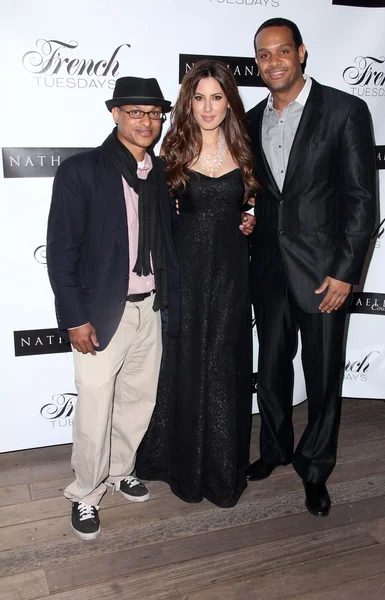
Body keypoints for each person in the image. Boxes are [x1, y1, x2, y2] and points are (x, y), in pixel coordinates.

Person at [246, 18, 376, 516]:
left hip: (325, 273)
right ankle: (275, 449)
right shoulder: (254, 117)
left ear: (301, 53)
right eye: (263, 54)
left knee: (322, 377)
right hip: (269, 270)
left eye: (282, 51)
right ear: (256, 61)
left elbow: (362, 198)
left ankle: (315, 468)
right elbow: (266, 194)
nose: (273, 61)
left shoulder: (345, 110)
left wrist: (346, 272)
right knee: (272, 369)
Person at [46, 76, 180, 540]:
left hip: (149, 308)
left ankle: (121, 470)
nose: (147, 121)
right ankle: (85, 492)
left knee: (138, 401)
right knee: (95, 407)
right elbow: (62, 252)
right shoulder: (82, 170)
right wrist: (75, 318)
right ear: (115, 115)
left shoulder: (158, 172)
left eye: (154, 113)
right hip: (102, 313)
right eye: (136, 112)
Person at [136, 60, 258, 508]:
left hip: (231, 273)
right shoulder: (173, 153)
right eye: (199, 97)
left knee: (225, 365)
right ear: (189, 102)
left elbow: (259, 201)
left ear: (229, 101)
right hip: (185, 273)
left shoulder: (246, 149)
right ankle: (180, 465)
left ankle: (222, 470)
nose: (208, 107)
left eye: (217, 97)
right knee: (184, 363)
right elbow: (157, 221)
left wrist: (253, 217)